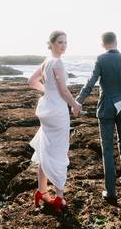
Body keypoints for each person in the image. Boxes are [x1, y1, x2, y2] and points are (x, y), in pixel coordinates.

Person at [76, 31, 121, 204]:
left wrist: (79, 100)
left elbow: (91, 81)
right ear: (116, 41)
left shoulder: (101, 59)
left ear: (103, 44)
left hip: (107, 107)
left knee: (108, 150)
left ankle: (111, 193)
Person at [28, 30, 82, 213]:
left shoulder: (46, 62)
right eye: (60, 42)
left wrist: (47, 92)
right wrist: (75, 105)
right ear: (51, 43)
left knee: (46, 149)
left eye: (65, 42)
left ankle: (41, 191)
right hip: (57, 111)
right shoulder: (57, 62)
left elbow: (31, 81)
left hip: (46, 109)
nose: (63, 45)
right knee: (59, 151)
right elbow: (63, 90)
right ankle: (59, 196)